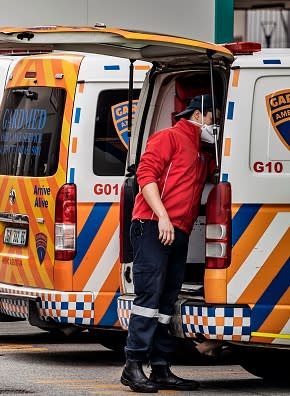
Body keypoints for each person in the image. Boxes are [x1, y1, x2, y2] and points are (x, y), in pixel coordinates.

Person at [120, 94, 218, 393]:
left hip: (179, 231)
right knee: (148, 298)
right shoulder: (169, 138)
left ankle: (161, 367)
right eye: (213, 117)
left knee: (166, 302)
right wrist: (161, 216)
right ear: (199, 115)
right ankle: (133, 366)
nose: (215, 124)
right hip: (152, 226)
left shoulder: (202, 152)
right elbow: (145, 175)